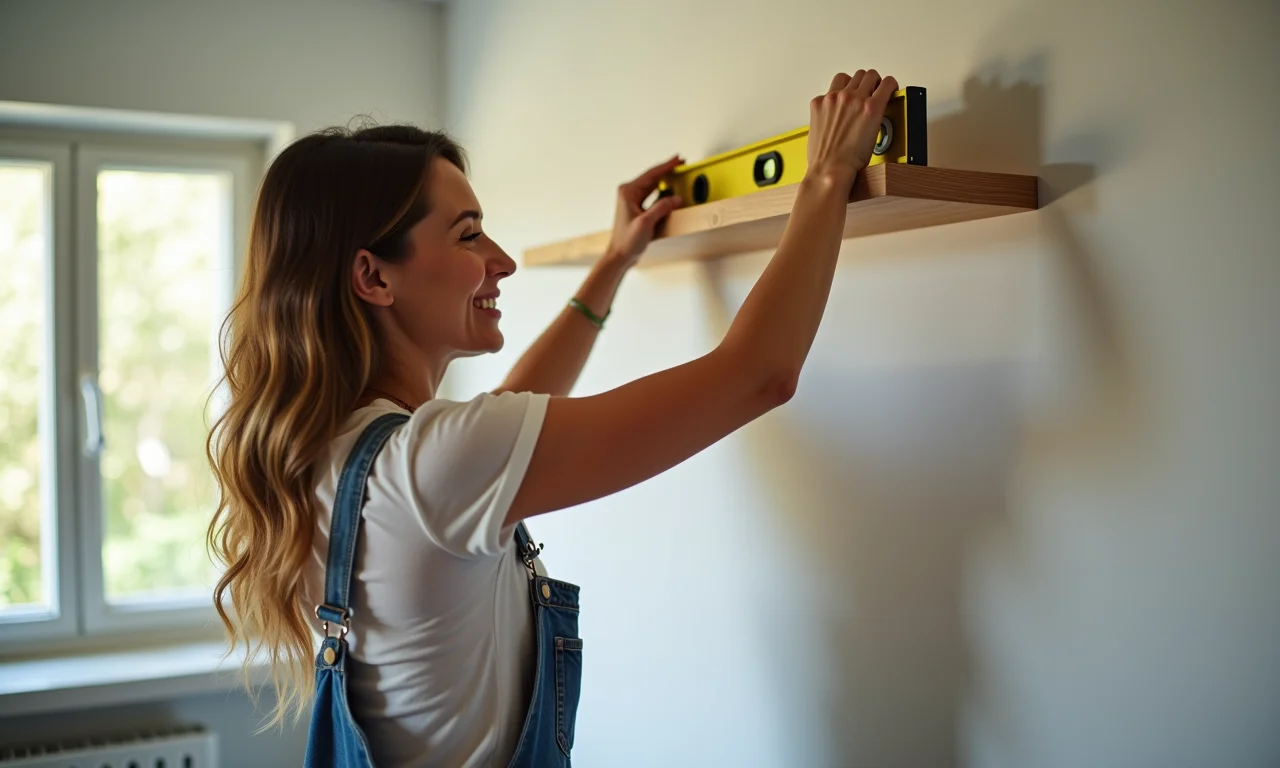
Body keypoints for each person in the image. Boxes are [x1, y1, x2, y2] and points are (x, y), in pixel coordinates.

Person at [206, 67, 898, 767]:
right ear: (375, 278)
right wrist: (826, 178)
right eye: (469, 236)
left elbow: (509, 422)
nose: (501, 262)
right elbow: (758, 375)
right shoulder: (436, 462)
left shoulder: (335, 452)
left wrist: (614, 261)